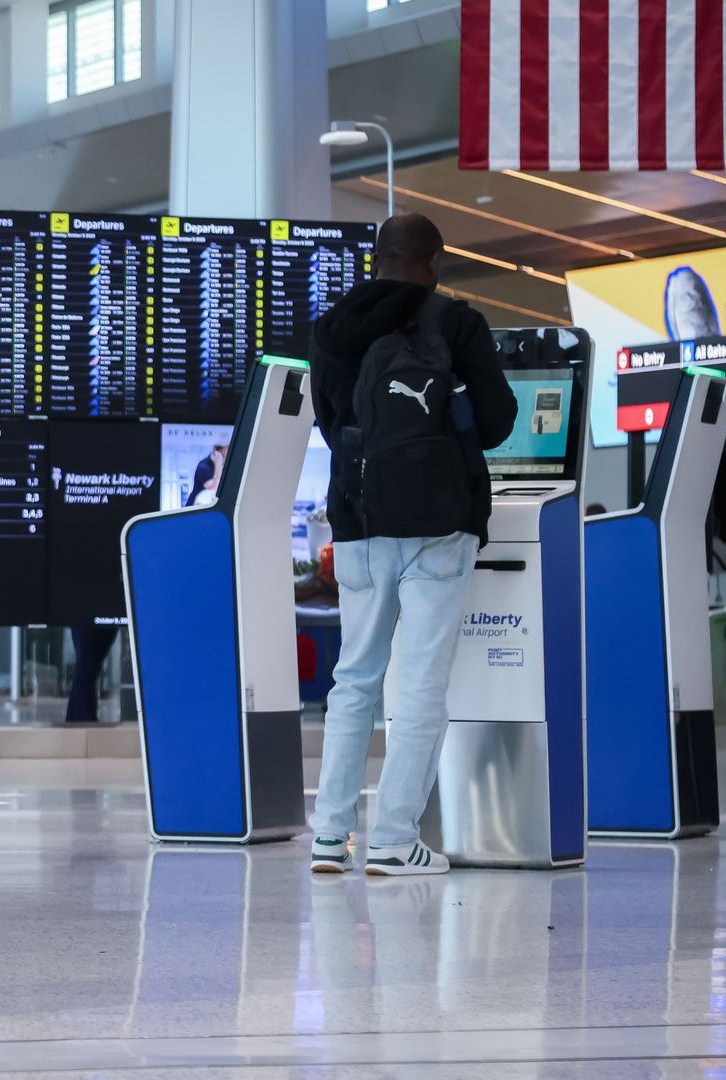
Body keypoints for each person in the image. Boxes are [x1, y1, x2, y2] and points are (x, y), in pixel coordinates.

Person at [304, 213, 517, 877]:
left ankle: (328, 838)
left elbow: (332, 423)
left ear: (375, 261)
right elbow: (500, 423)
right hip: (439, 527)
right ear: (435, 262)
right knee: (421, 685)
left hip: (361, 523)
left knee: (355, 679)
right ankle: (394, 839)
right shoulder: (456, 323)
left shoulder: (333, 330)